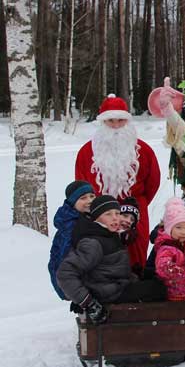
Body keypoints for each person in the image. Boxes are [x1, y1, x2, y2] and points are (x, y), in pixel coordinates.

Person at [75, 94, 161, 275]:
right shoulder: (86, 153)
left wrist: (137, 204)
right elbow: (81, 184)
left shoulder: (144, 151)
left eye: (120, 120)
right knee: (102, 257)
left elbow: (153, 183)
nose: (115, 126)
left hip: (136, 212)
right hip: (99, 213)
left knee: (136, 257)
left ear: (128, 122)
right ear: (102, 123)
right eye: (110, 121)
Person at [56, 196, 166, 324]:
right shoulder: (93, 243)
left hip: (113, 287)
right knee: (159, 289)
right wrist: (87, 302)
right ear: (96, 217)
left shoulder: (109, 235)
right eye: (108, 214)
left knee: (155, 280)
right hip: (106, 294)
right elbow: (65, 274)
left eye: (117, 213)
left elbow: (110, 269)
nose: (115, 218)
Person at [48, 180, 95, 299]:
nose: (89, 200)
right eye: (83, 198)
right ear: (72, 203)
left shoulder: (92, 218)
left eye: (92, 196)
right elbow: (62, 261)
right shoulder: (70, 227)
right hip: (80, 286)